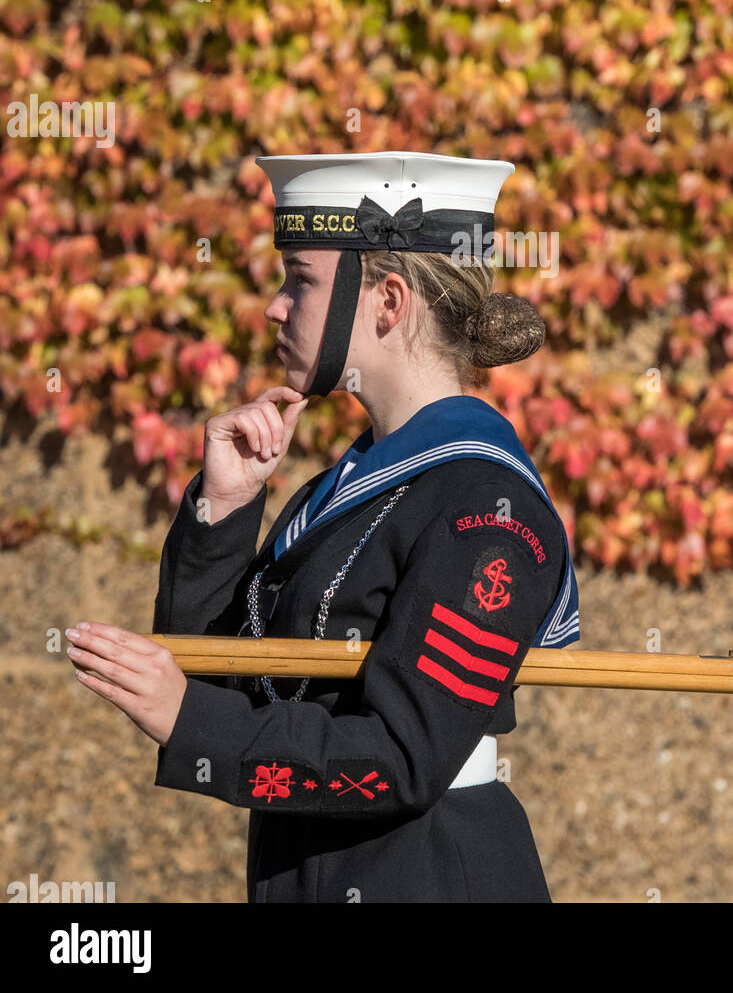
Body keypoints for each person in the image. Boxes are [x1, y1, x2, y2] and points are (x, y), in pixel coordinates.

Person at [69, 151, 579, 903]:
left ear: (389, 302)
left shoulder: (487, 508)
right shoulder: (351, 484)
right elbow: (228, 676)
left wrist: (189, 720)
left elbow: (403, 757)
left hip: (426, 875)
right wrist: (226, 512)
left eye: (299, 279)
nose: (275, 306)